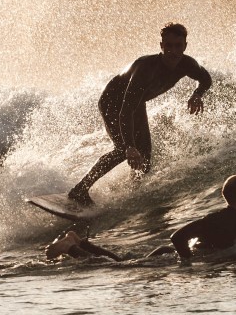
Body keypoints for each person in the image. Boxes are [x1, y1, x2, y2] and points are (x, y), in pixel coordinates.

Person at [66, 23, 212, 207]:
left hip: (136, 103)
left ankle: (132, 192)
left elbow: (206, 79)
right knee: (122, 150)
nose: (173, 51)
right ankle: (79, 190)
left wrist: (197, 94)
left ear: (185, 46)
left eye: (178, 46)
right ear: (161, 46)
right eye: (168, 45)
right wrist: (129, 147)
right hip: (113, 101)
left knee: (145, 156)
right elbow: (125, 110)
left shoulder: (187, 64)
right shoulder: (146, 69)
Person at [46, 174, 236, 266]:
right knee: (112, 266)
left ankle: (80, 243)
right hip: (166, 258)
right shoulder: (223, 220)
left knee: (120, 262)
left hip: (167, 256)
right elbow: (178, 237)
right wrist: (186, 264)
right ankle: (70, 248)